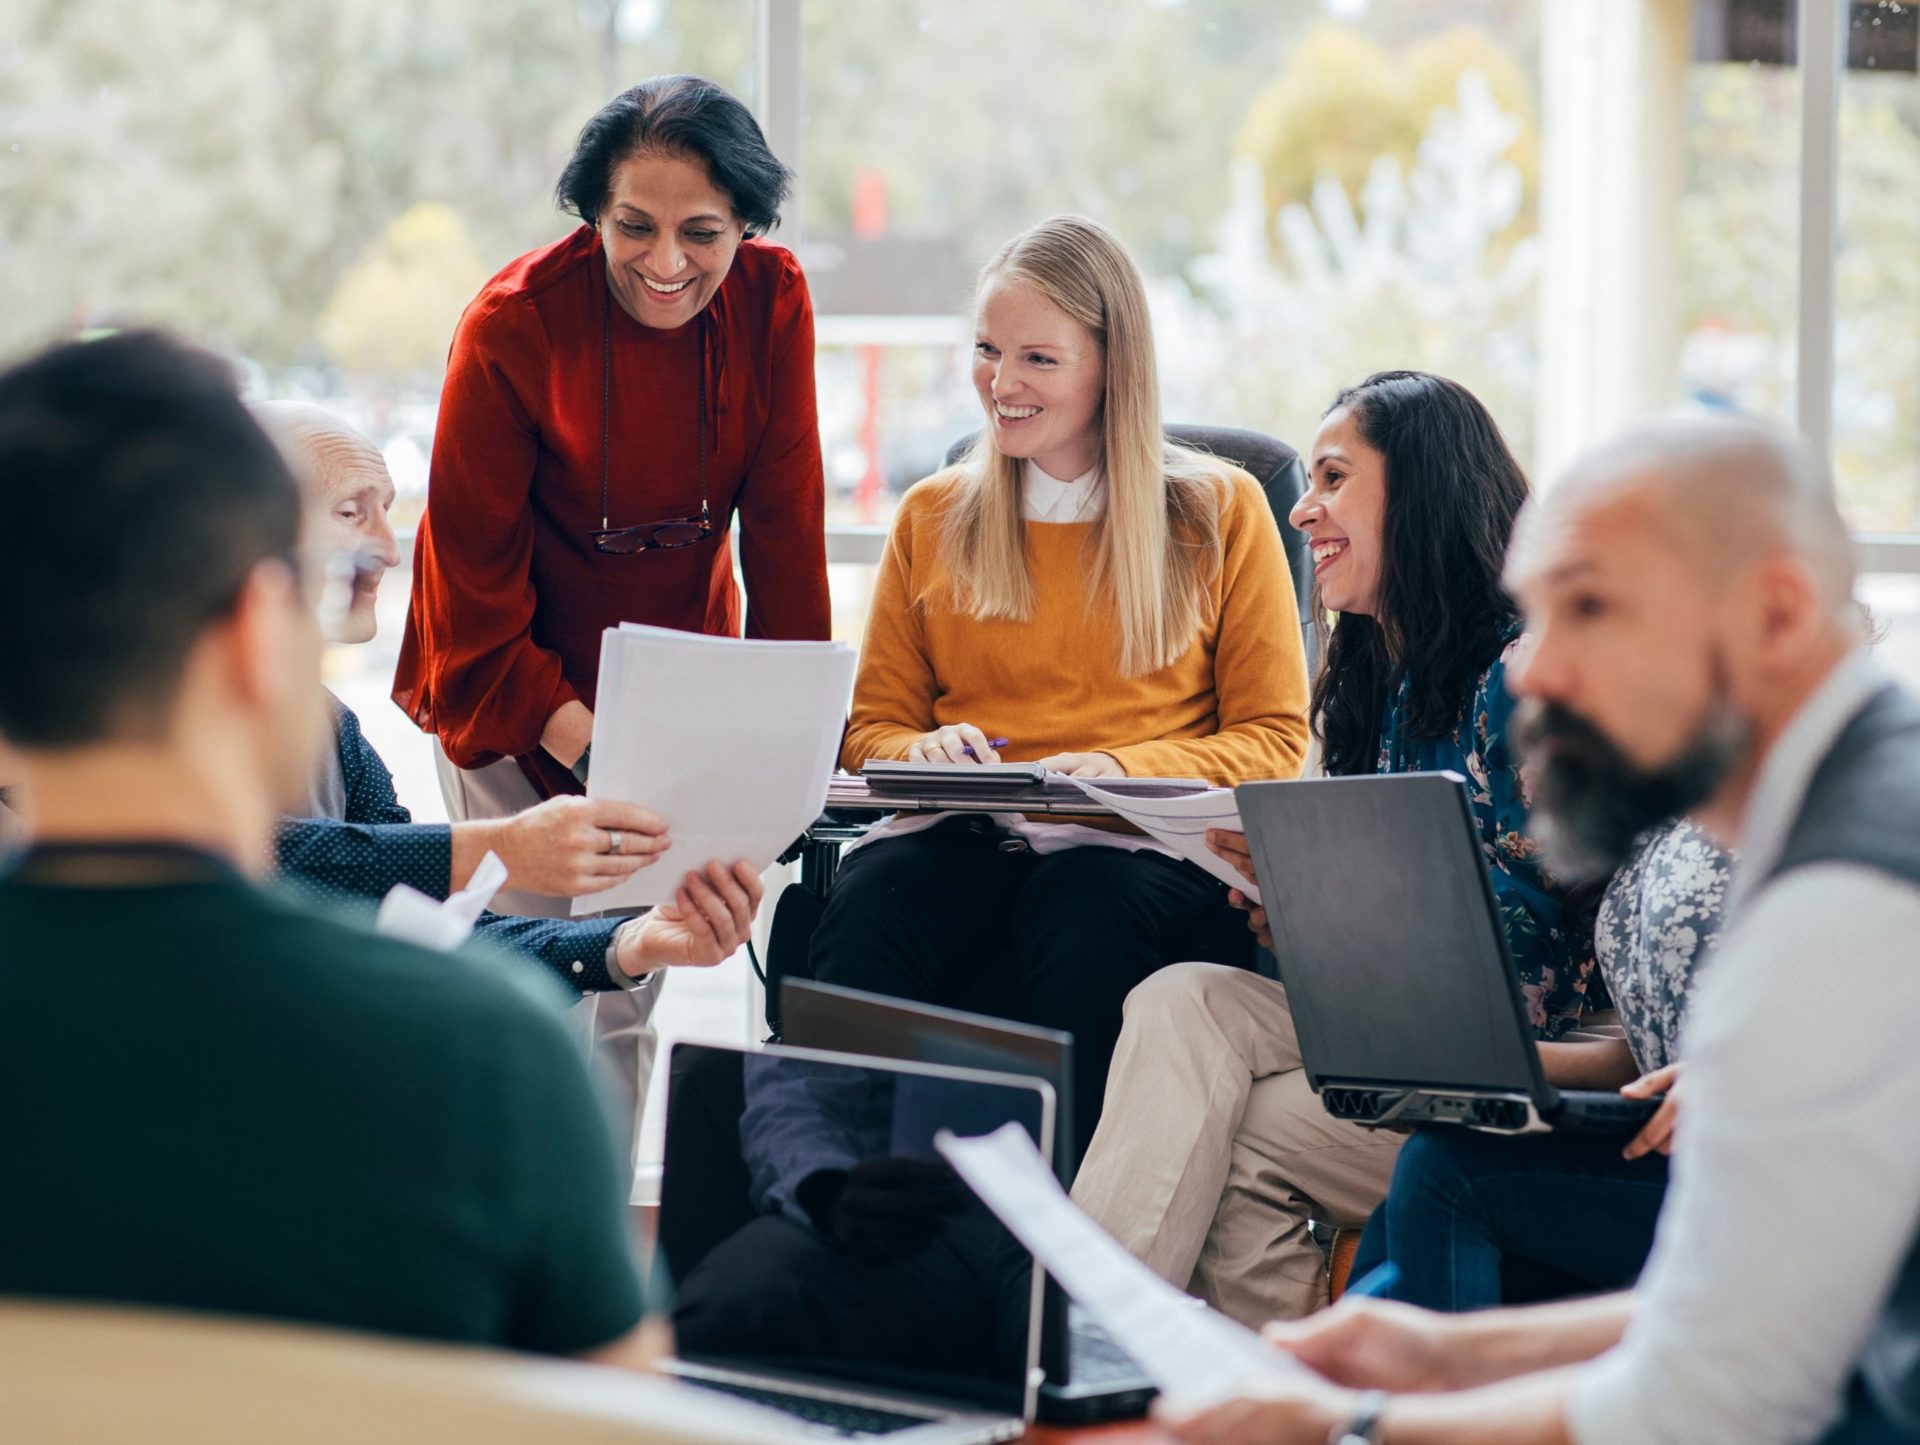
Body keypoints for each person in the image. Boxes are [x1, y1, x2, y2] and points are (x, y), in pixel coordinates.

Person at [1158, 415, 1920, 1445]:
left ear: (1775, 610)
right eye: (1537, 613)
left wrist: (1358, 1418)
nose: (1540, 670)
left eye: (1591, 608)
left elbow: (1719, 1389)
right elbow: (1743, 1302)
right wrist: (1444, 1354)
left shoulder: (1842, 904)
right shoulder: (1845, 807)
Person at [0, 332, 657, 1364]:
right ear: (258, 631)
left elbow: (400, 904)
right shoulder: (482, 1061)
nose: (384, 550)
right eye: (346, 533)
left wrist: (617, 945)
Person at [1070, 371, 1596, 1328]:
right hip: (1397, 1024)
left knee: (1236, 1132)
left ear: (1424, 491)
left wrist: (1352, 918)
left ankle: (1087, 1360)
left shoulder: (1523, 676)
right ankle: (1130, 1362)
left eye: (1334, 478)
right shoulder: (1381, 675)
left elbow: (1542, 968)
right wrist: (1309, 915)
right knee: (1179, 996)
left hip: (1515, 1058)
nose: (1302, 508)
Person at [808, 215, 1312, 1152]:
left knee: (1081, 921)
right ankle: (842, 1217)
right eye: (989, 351)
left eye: (1037, 358)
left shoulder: (1220, 510)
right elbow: (870, 727)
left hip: (1136, 845)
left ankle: (1068, 1241)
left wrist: (1115, 768)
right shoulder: (933, 514)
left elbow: (1275, 739)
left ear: (1112, 366)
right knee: (868, 911)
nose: (1002, 384)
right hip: (967, 828)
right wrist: (921, 750)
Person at [391, 75, 829, 1140]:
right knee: (525, 994)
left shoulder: (774, 301)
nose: (668, 262)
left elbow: (787, 546)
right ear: (592, 213)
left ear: (749, 226)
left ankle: (584, 1287)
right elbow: (477, 602)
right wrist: (604, 754)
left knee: (628, 996)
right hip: (511, 689)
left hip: (672, 698)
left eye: (703, 232)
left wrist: (780, 755)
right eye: (635, 226)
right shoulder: (511, 327)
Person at [261, 400, 762, 1005]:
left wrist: (630, 944)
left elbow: (419, 913)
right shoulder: (137, 710)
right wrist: (499, 849)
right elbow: (251, 860)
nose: (391, 552)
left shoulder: (332, 727)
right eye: (349, 512)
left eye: (386, 513)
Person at [1350, 818, 1731, 1312]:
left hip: (1752, 1156)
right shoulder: (1646, 836)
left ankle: (1411, 1380)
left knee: (1448, 1171)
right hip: (1668, 1132)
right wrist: (1491, 1060)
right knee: (1398, 1218)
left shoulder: (1774, 826)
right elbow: (1647, 1050)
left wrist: (1735, 1076)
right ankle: (1323, 1372)